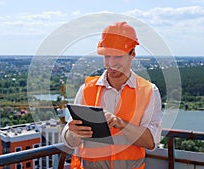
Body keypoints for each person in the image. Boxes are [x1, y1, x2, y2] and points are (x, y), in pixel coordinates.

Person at [61, 21, 162, 169]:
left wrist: (119, 123)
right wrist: (74, 133)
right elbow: (69, 141)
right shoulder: (86, 90)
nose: (111, 63)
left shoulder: (148, 92)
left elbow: (151, 142)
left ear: (132, 54)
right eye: (107, 56)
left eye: (118, 56)